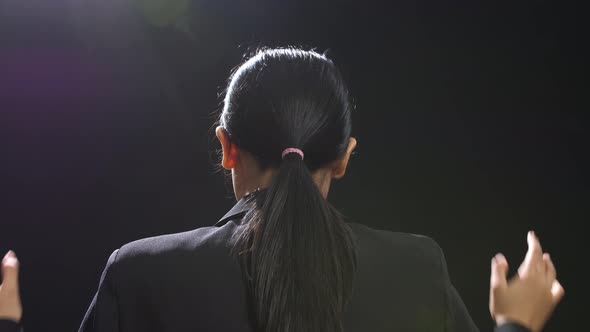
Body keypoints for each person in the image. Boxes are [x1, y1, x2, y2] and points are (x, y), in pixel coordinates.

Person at [0, 48, 564, 332]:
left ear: (226, 147)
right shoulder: (417, 268)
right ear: (344, 159)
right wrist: (515, 324)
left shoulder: (140, 275)